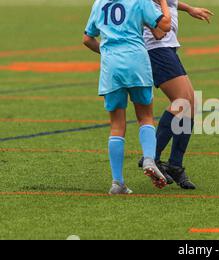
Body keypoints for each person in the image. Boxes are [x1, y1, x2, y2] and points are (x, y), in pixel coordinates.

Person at [83, 0, 172, 194]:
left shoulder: (99, 3)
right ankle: (149, 158)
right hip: (136, 62)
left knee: (116, 125)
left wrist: (107, 50)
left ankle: (117, 182)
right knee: (145, 117)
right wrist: (164, 2)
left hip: (111, 67)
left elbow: (87, 39)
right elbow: (165, 25)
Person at [138, 1, 213, 190]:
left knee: (190, 104)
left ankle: (175, 165)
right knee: (181, 102)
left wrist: (189, 9)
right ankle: (151, 157)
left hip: (167, 46)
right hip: (156, 47)